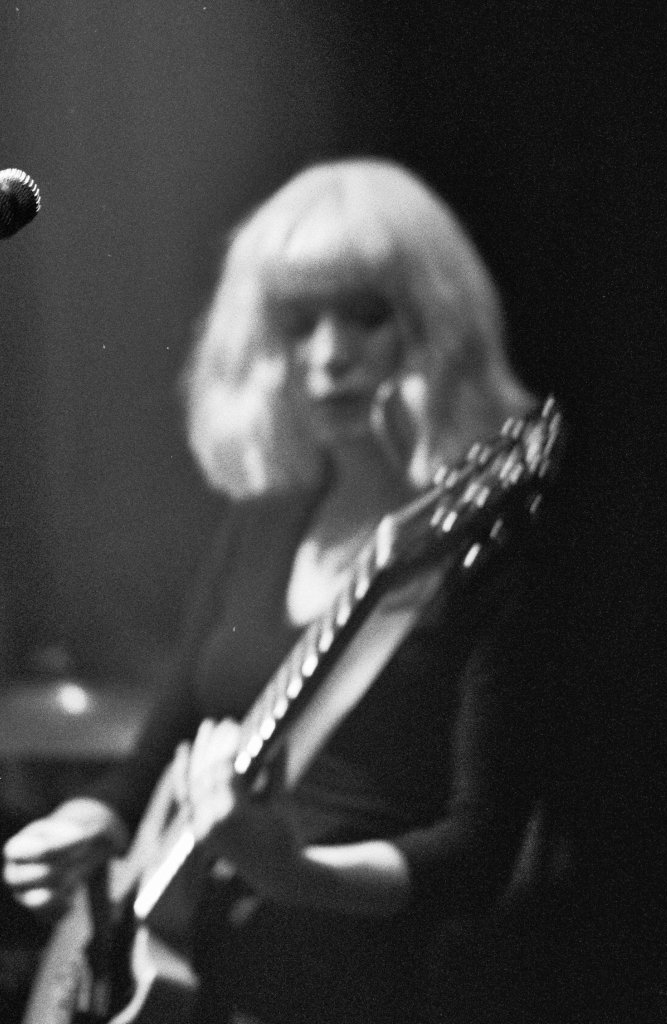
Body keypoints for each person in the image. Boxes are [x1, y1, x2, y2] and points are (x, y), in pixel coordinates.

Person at [3, 158, 561, 1024]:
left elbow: (480, 854)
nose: (330, 355)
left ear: (435, 326)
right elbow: (161, 749)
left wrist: (295, 874)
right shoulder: (261, 523)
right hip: (190, 978)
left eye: (367, 314)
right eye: (299, 323)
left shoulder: (480, 551)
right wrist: (90, 825)